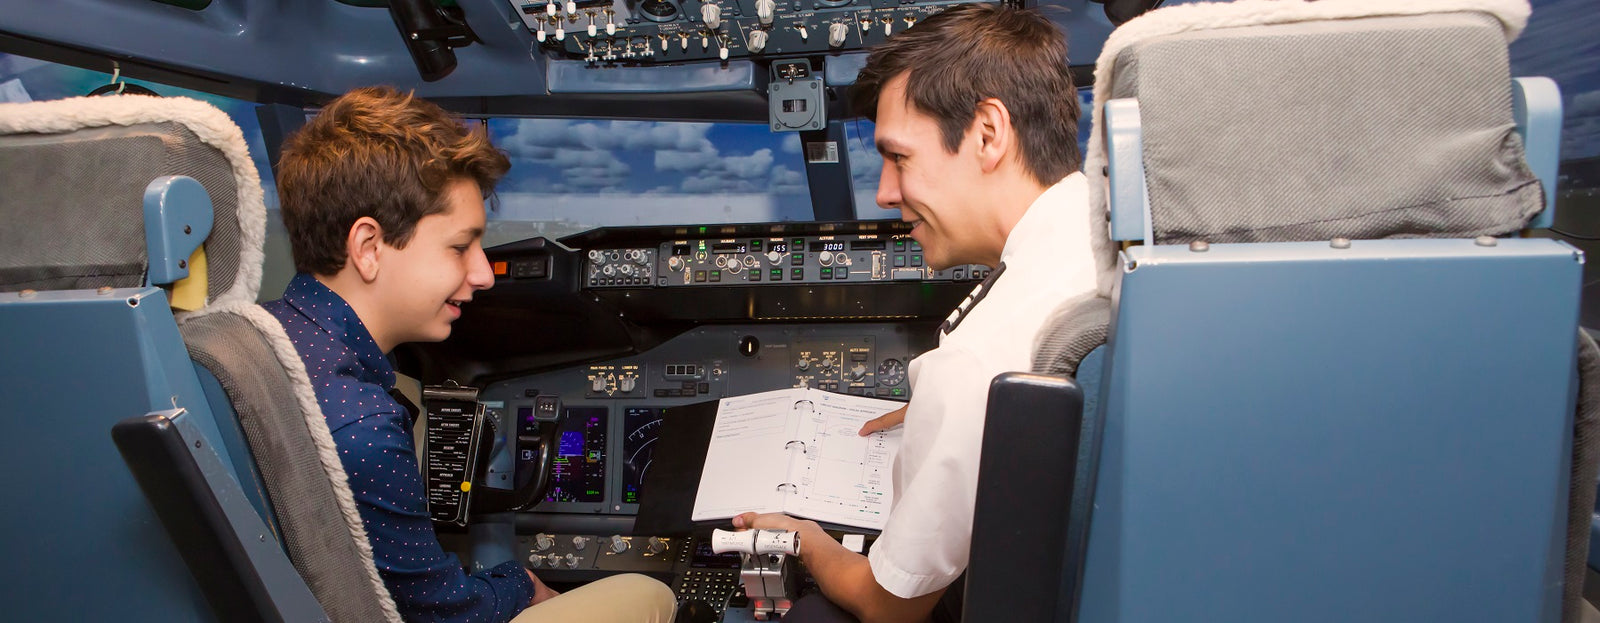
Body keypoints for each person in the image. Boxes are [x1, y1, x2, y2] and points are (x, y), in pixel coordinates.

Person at [731, 5, 1099, 622]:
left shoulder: (978, 361)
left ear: (988, 133)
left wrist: (807, 541)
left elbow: (890, 607)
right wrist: (941, 414)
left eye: (899, 157)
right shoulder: (1108, 240)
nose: (883, 193)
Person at [265, 86, 676, 623]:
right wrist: (518, 582)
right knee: (647, 595)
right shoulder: (358, 420)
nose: (483, 275)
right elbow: (447, 616)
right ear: (368, 248)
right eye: (460, 247)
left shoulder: (261, 334)